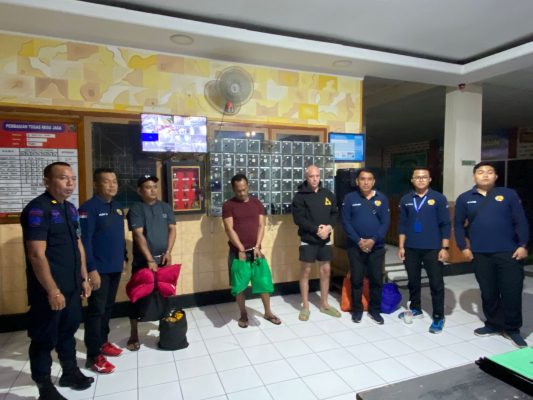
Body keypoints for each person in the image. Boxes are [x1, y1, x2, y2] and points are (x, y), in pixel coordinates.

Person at [20, 162, 94, 400]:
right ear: (47, 181)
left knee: (68, 332)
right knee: (44, 338)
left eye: (72, 178)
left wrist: (84, 277)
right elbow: (36, 254)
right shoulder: (37, 209)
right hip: (49, 290)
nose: (70, 183)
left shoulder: (70, 209)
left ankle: (69, 372)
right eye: (63, 178)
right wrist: (52, 290)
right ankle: (44, 387)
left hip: (72, 286)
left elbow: (78, 244)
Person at [454, 161, 529, 348]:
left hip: (509, 253)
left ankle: (512, 329)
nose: (485, 175)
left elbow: (521, 221)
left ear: (496, 176)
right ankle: (494, 324)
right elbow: (458, 225)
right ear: (474, 176)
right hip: (480, 254)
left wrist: (523, 244)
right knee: (488, 292)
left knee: (511, 292)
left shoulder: (508, 194)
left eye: (489, 172)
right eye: (480, 172)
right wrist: (463, 247)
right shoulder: (465, 198)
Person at [79, 168, 127, 374]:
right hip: (99, 269)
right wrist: (91, 270)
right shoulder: (88, 208)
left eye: (114, 181)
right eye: (107, 181)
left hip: (115, 267)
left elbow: (119, 236)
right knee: (96, 311)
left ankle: (103, 342)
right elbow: (85, 241)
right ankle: (93, 356)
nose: (112, 185)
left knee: (107, 308)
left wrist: (123, 258)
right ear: (96, 184)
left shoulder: (118, 207)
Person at [222, 174, 281, 328]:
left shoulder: (257, 203)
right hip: (237, 254)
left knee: (263, 282)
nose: (242, 193)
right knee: (239, 286)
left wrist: (257, 245)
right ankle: (243, 314)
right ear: (233, 189)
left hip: (256, 252)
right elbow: (229, 229)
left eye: (244, 189)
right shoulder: (228, 205)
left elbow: (261, 225)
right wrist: (241, 248)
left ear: (248, 186)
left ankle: (268, 312)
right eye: (238, 190)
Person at [126, 175, 176, 350]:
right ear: (140, 191)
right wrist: (149, 258)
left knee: (164, 294)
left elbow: (172, 230)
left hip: (163, 259)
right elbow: (138, 234)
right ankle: (134, 333)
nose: (153, 190)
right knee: (137, 295)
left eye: (154, 186)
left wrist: (168, 252)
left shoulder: (165, 207)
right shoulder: (136, 209)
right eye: (148, 187)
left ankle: (165, 329)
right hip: (143, 261)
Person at [397, 168, 451, 333]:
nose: (420, 180)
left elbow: (445, 224)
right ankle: (416, 308)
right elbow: (402, 225)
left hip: (433, 248)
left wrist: (445, 248)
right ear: (412, 180)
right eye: (417, 177)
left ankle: (438, 316)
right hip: (411, 248)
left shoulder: (438, 198)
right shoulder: (406, 199)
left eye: (424, 177)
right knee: (413, 281)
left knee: (436, 283)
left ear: (430, 179)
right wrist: (401, 246)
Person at [341, 168, 390, 324]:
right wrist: (359, 241)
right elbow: (345, 222)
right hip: (355, 246)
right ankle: (357, 310)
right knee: (356, 279)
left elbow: (385, 222)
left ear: (373, 181)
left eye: (369, 179)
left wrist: (373, 240)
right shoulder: (350, 198)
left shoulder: (382, 198)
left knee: (376, 279)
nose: (366, 182)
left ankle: (375, 310)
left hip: (376, 246)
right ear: (357, 181)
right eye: (362, 179)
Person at [292, 165, 340, 321]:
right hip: (308, 239)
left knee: (326, 270)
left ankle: (324, 304)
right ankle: (305, 306)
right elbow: (298, 219)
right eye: (311, 176)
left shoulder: (328, 194)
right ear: (306, 177)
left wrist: (329, 227)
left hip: (325, 239)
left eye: (317, 176)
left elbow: (335, 214)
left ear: (320, 177)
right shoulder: (300, 196)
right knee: (305, 271)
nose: (314, 179)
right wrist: (316, 229)